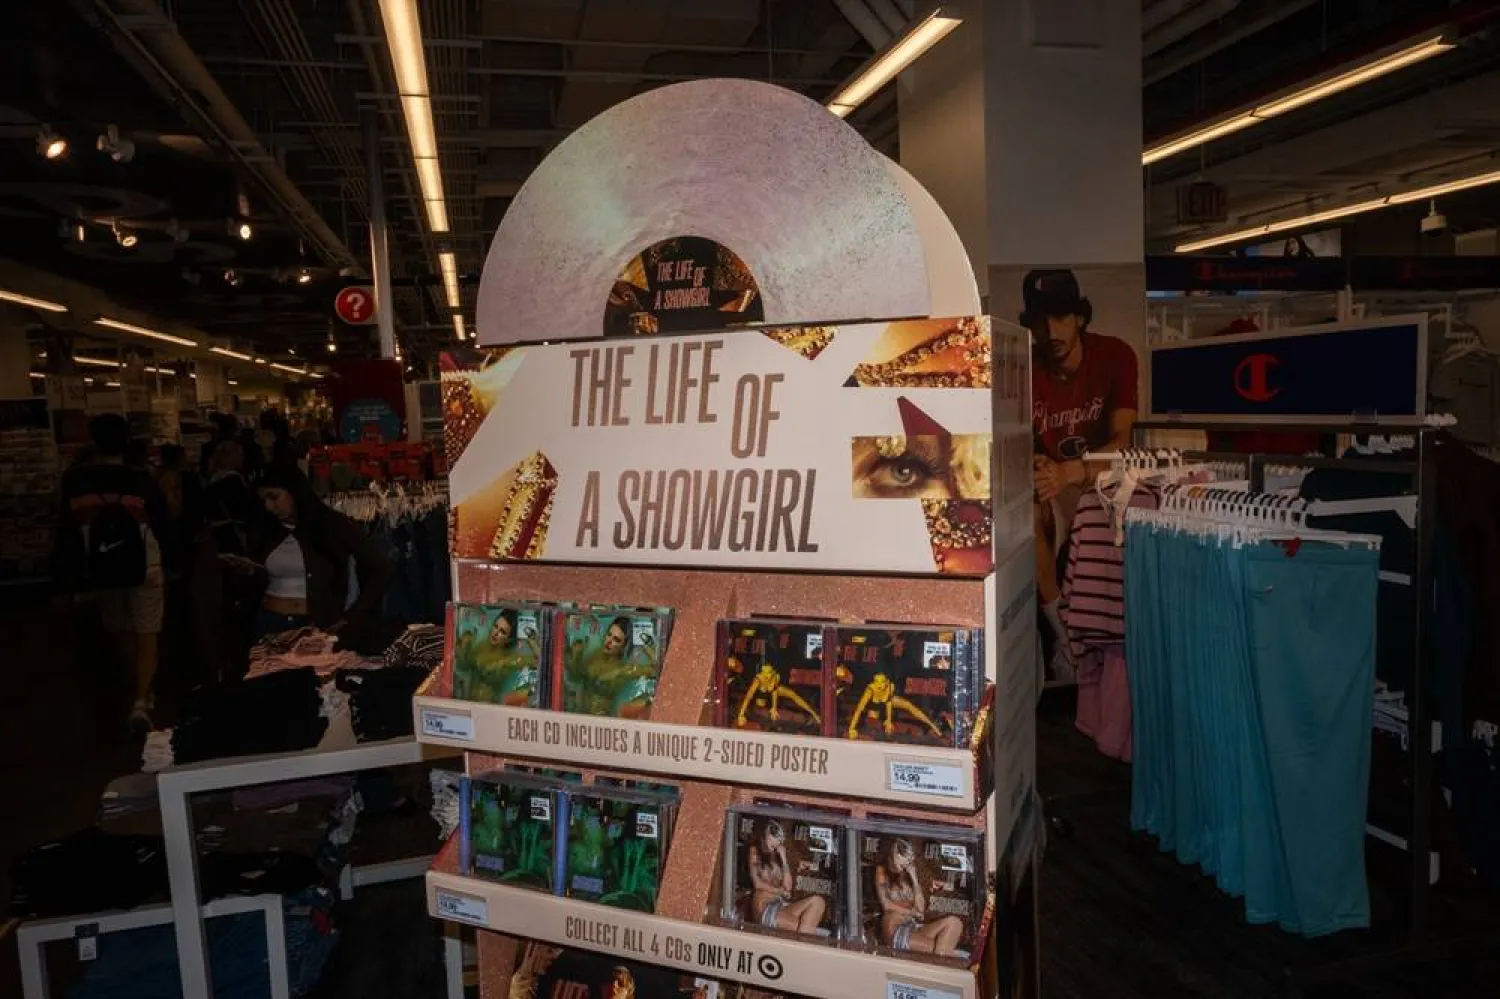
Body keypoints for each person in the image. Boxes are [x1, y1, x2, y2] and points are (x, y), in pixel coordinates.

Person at [1024, 269, 1138, 680]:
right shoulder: (1024, 365)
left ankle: (1102, 646)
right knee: (1024, 517)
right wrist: (1034, 463)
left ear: (1080, 318)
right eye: (1040, 320)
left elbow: (1123, 442)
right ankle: (1065, 639)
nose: (1050, 330)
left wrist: (1071, 471)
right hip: (1055, 482)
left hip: (1102, 481)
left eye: (1060, 317)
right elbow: (1015, 439)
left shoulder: (1115, 355)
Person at [53, 413, 178, 729]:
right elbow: (163, 525)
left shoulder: (76, 482)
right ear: (126, 443)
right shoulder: (141, 481)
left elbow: (65, 533)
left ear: (94, 442)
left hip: (103, 567)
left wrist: (64, 581)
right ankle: (142, 698)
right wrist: (176, 563)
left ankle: (134, 682)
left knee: (122, 629)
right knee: (148, 632)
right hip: (145, 566)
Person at [239, 463, 390, 640]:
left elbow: (380, 569)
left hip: (318, 625)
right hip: (271, 622)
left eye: (274, 497)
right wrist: (247, 571)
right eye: (263, 500)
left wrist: (352, 617)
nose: (269, 506)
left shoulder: (331, 525)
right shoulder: (265, 530)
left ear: (294, 492)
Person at [873, 837, 963, 956]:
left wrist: (914, 877)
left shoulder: (909, 875)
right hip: (895, 928)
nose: (903, 868)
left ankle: (939, 965)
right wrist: (911, 912)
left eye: (907, 863)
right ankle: (943, 963)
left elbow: (920, 909)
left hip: (914, 927)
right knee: (946, 952)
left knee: (954, 922)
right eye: (900, 862)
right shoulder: (881, 871)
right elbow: (886, 905)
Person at [746, 818, 826, 935]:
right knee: (806, 929)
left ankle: (801, 944)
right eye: (770, 841)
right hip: (764, 907)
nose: (773, 847)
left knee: (818, 902)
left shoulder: (779, 855)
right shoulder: (754, 851)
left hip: (780, 906)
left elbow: (788, 887)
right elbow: (757, 884)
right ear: (764, 836)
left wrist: (783, 859)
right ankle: (802, 945)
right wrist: (779, 891)